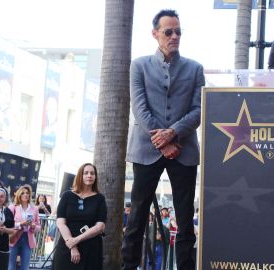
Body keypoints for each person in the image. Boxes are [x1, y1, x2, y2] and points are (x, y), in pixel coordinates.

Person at [121, 9, 204, 270]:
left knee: (185, 217)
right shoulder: (139, 65)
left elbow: (199, 109)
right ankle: (129, 266)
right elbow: (139, 107)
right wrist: (163, 140)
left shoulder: (194, 68)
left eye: (178, 31)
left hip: (184, 150)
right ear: (155, 33)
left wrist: (174, 133)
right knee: (137, 216)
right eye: (168, 31)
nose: (174, 36)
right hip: (146, 149)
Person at [52, 163, 107, 270]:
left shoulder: (100, 198)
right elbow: (61, 223)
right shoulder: (67, 195)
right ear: (80, 176)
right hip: (67, 245)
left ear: (95, 177)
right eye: (85, 173)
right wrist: (72, 245)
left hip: (91, 248)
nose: (89, 175)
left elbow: (100, 226)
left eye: (92, 173)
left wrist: (77, 240)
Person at [8, 185, 41, 270]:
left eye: (27, 193)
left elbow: (39, 226)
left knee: (25, 267)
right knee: (11, 266)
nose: (25, 195)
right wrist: (20, 224)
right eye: (23, 193)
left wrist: (34, 227)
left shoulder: (34, 209)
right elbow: (8, 225)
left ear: (30, 195)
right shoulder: (12, 207)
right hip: (15, 236)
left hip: (28, 238)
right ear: (19, 195)